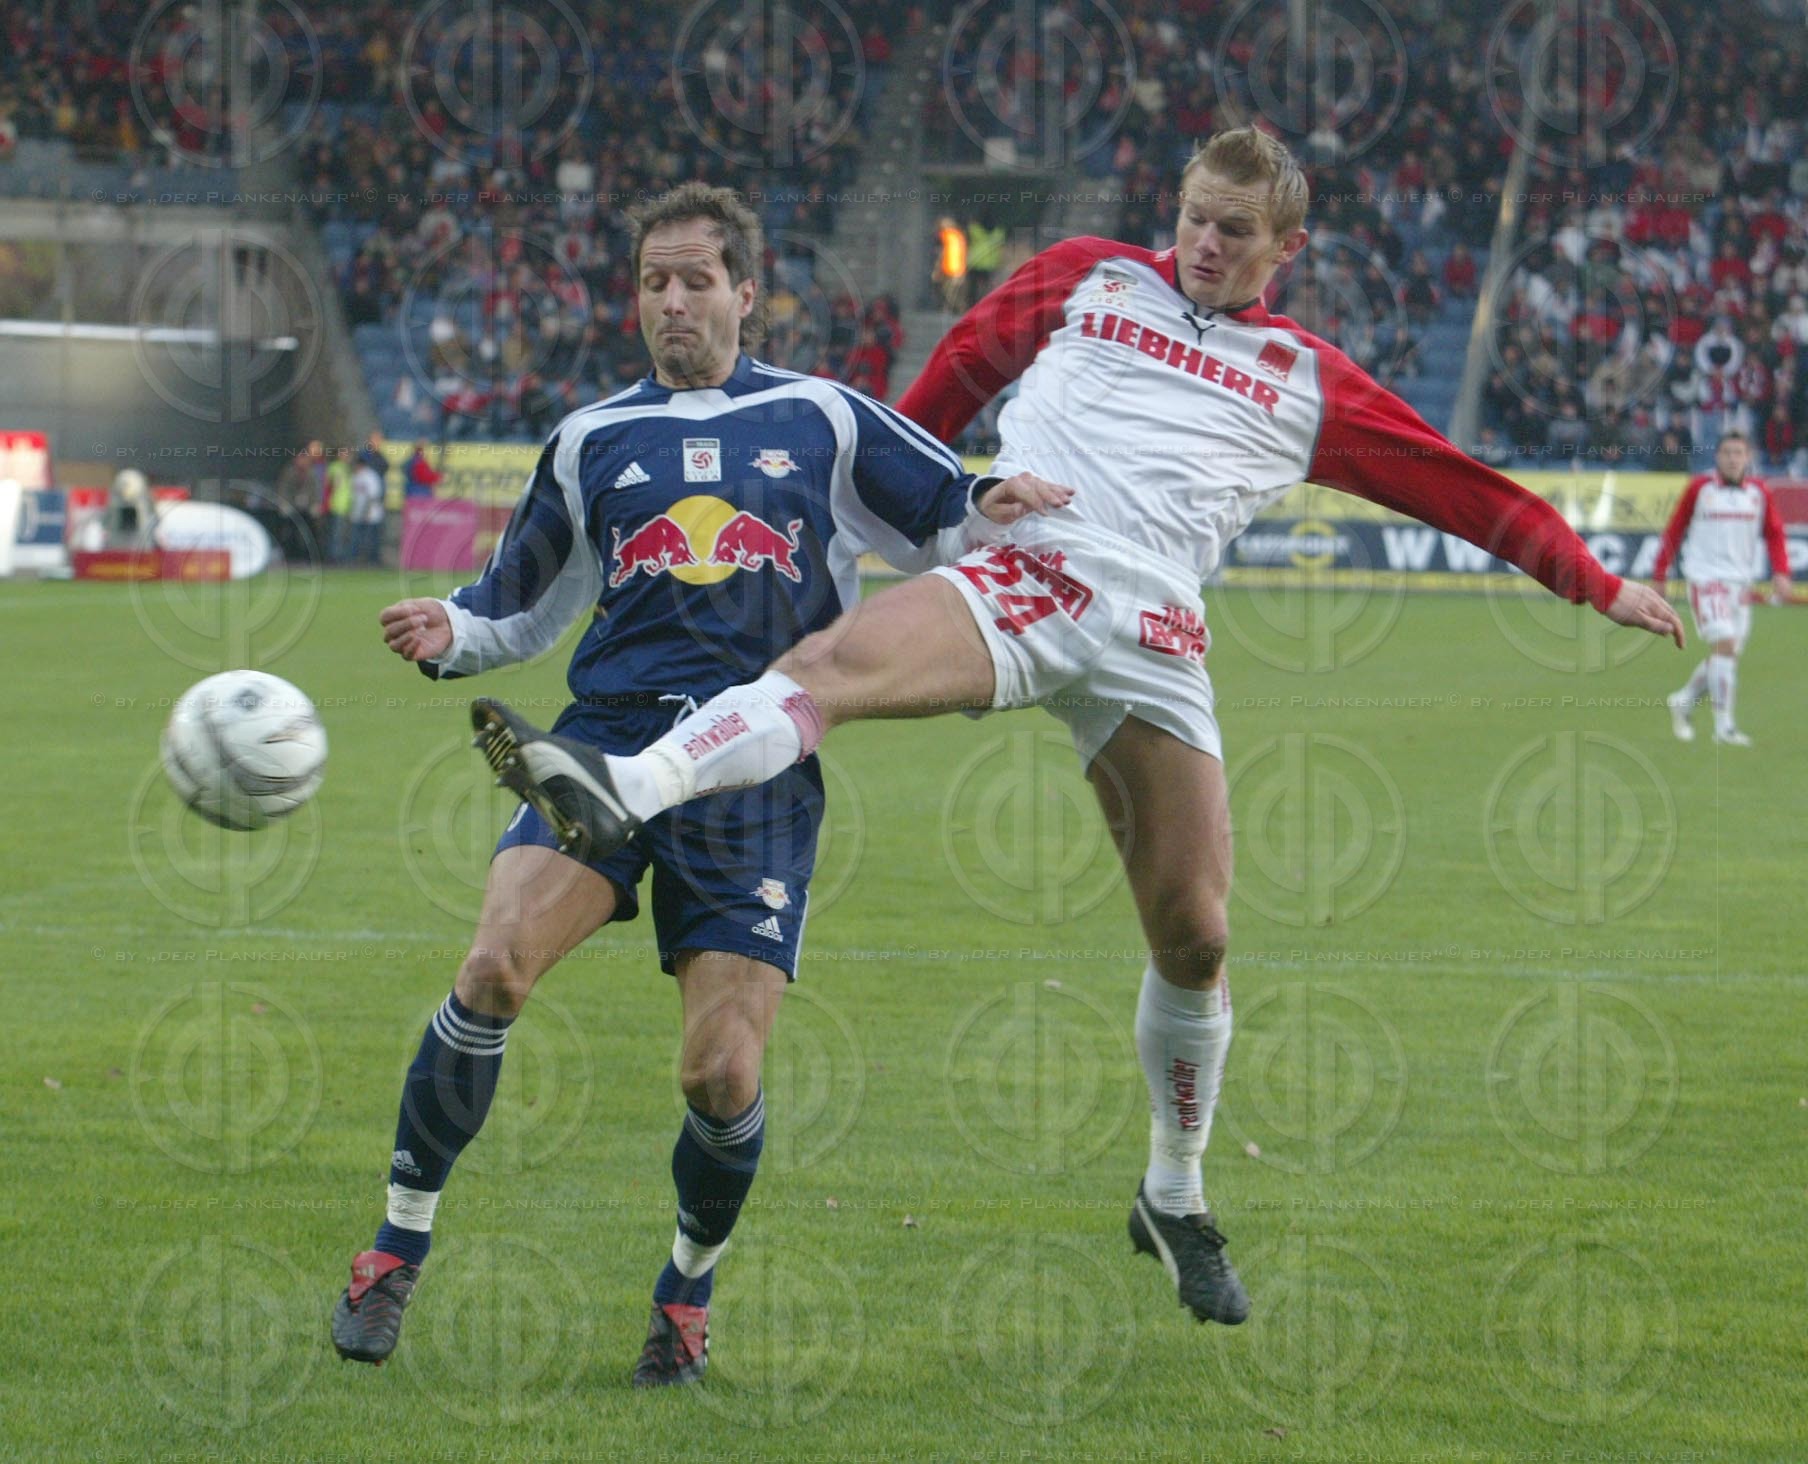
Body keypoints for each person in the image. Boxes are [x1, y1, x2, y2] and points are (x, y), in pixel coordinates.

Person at [468, 130, 1682, 1329]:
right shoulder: (1090, 274)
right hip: (1038, 561)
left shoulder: (1305, 378)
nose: (1204, 244)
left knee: (1198, 937)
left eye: (1235, 232)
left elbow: (1449, 482)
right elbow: (950, 373)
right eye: (1196, 216)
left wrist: (1589, 579)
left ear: (1285, 248)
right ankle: (628, 785)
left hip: (1157, 632)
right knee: (830, 666)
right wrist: (875, 501)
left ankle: (1172, 1194)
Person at [330, 182, 1063, 1383]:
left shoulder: (822, 416)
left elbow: (944, 510)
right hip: (604, 749)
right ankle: (393, 1250)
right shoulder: (588, 438)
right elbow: (519, 603)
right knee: (492, 968)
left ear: (744, 291)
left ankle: (684, 1293)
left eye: (693, 279)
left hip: (755, 769)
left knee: (719, 1073)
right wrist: (448, 633)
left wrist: (994, 500)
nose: (671, 302)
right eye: (651, 283)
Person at [1653, 430, 1792, 746]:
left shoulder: (1759, 492)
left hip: (1740, 584)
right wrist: (1660, 572)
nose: (1732, 458)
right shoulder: (1700, 488)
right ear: (1717, 457)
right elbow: (1675, 529)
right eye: (1727, 452)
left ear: (1748, 458)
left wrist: (1781, 572)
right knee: (1726, 646)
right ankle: (1724, 728)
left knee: (1726, 656)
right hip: (1705, 580)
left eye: (1738, 453)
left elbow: (1775, 534)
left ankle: (1684, 700)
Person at [350, 456, 385, 566]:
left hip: (371, 513)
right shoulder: (356, 476)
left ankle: (373, 560)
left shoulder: (370, 476)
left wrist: (366, 512)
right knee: (357, 537)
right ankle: (356, 559)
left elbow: (373, 496)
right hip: (358, 512)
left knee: (371, 538)